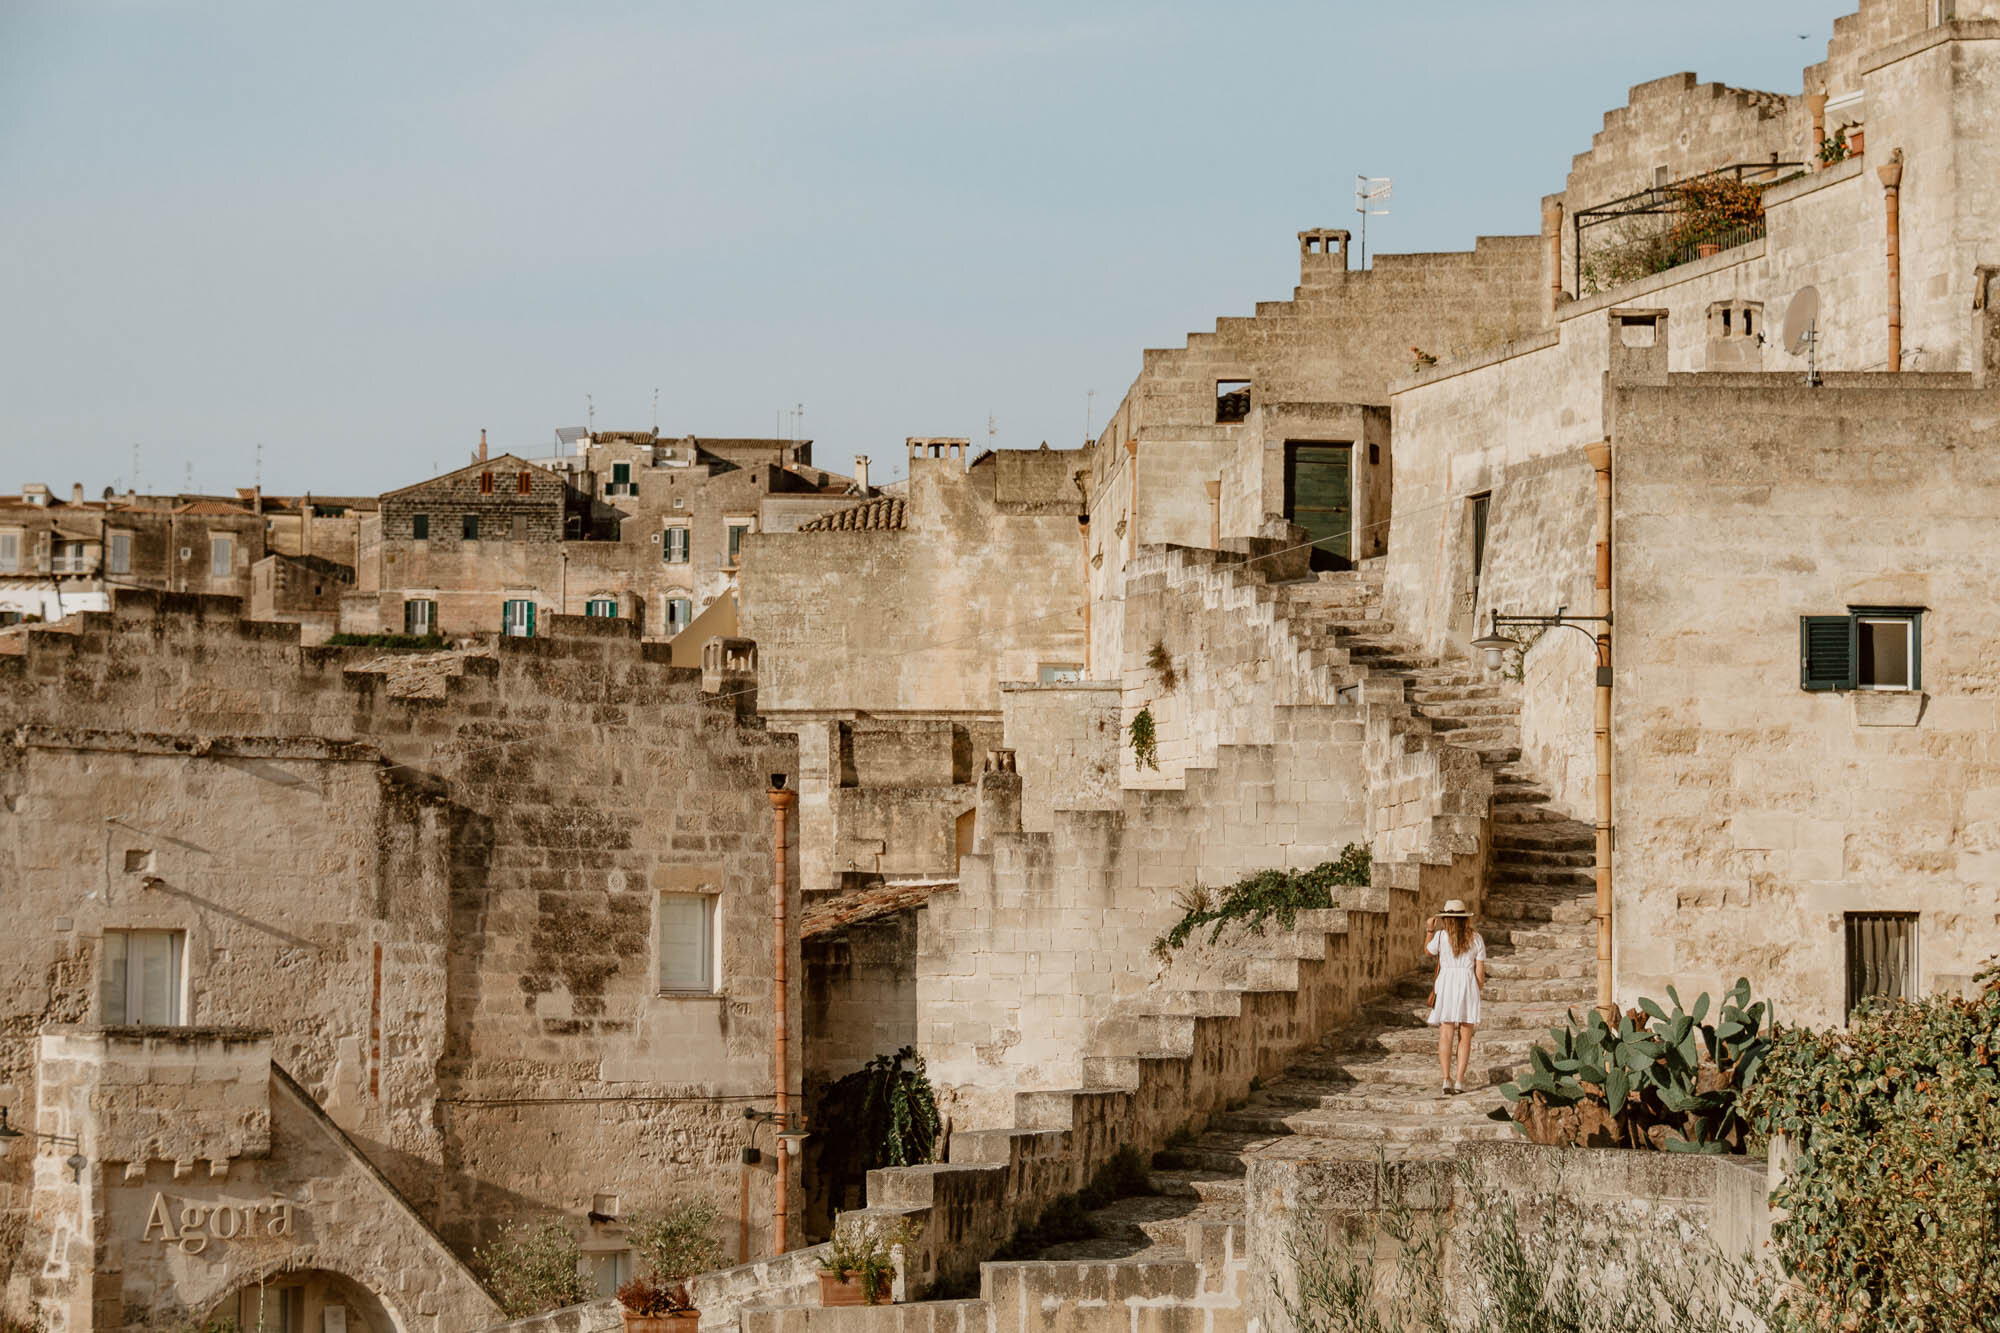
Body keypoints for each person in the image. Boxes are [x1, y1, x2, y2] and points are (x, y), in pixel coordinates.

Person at [1424, 899, 1487, 1095]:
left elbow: (1427, 951)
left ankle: (1446, 1079)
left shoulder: (1441, 937)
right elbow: (1480, 973)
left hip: (1446, 984)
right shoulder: (1476, 939)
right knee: (1465, 1036)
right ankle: (1459, 1080)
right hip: (1468, 984)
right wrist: (1477, 990)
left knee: (1446, 1033)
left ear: (1446, 919)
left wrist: (1429, 930)